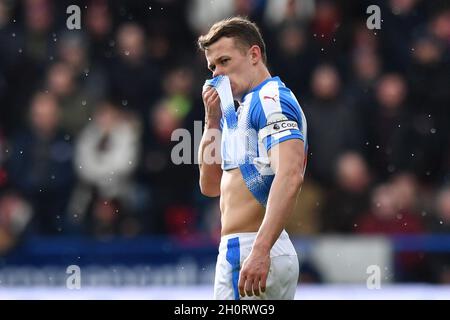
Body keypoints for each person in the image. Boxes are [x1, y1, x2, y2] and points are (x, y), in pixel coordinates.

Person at [197, 17, 308, 300]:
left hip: (252, 248)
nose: (217, 74)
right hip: (247, 248)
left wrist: (260, 249)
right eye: (213, 67)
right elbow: (210, 186)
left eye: (224, 61)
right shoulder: (239, 112)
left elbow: (290, 174)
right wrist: (212, 121)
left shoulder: (270, 100)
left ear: (254, 54)